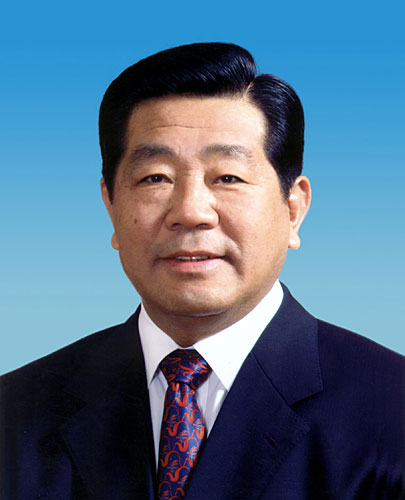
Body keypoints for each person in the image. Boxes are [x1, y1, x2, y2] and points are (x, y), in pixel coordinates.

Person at [1, 42, 404, 500]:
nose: (190, 212)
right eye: (155, 178)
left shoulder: (392, 408)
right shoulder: (15, 413)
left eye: (227, 177)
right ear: (110, 206)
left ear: (293, 210)